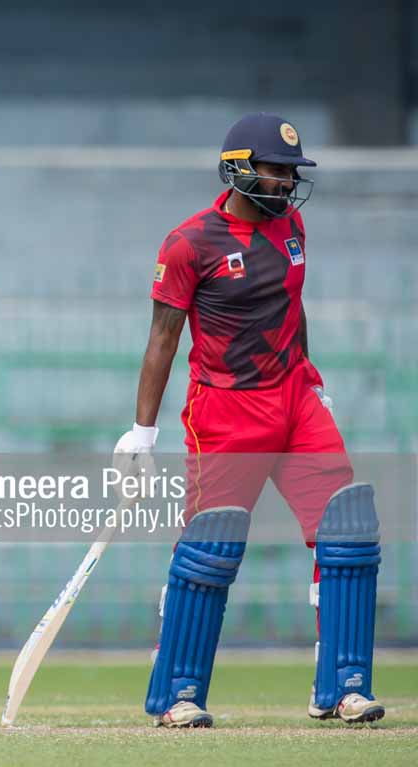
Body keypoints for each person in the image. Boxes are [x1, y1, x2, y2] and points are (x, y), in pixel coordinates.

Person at [113, 114, 383, 727]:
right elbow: (162, 339)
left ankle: (342, 686)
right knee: (211, 547)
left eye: (292, 171)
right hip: (226, 411)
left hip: (295, 399)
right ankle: (177, 693)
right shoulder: (189, 243)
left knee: (348, 529)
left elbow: (291, 303)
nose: (287, 182)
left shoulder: (293, 226)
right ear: (237, 169)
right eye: (275, 169)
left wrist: (313, 381)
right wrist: (143, 433)